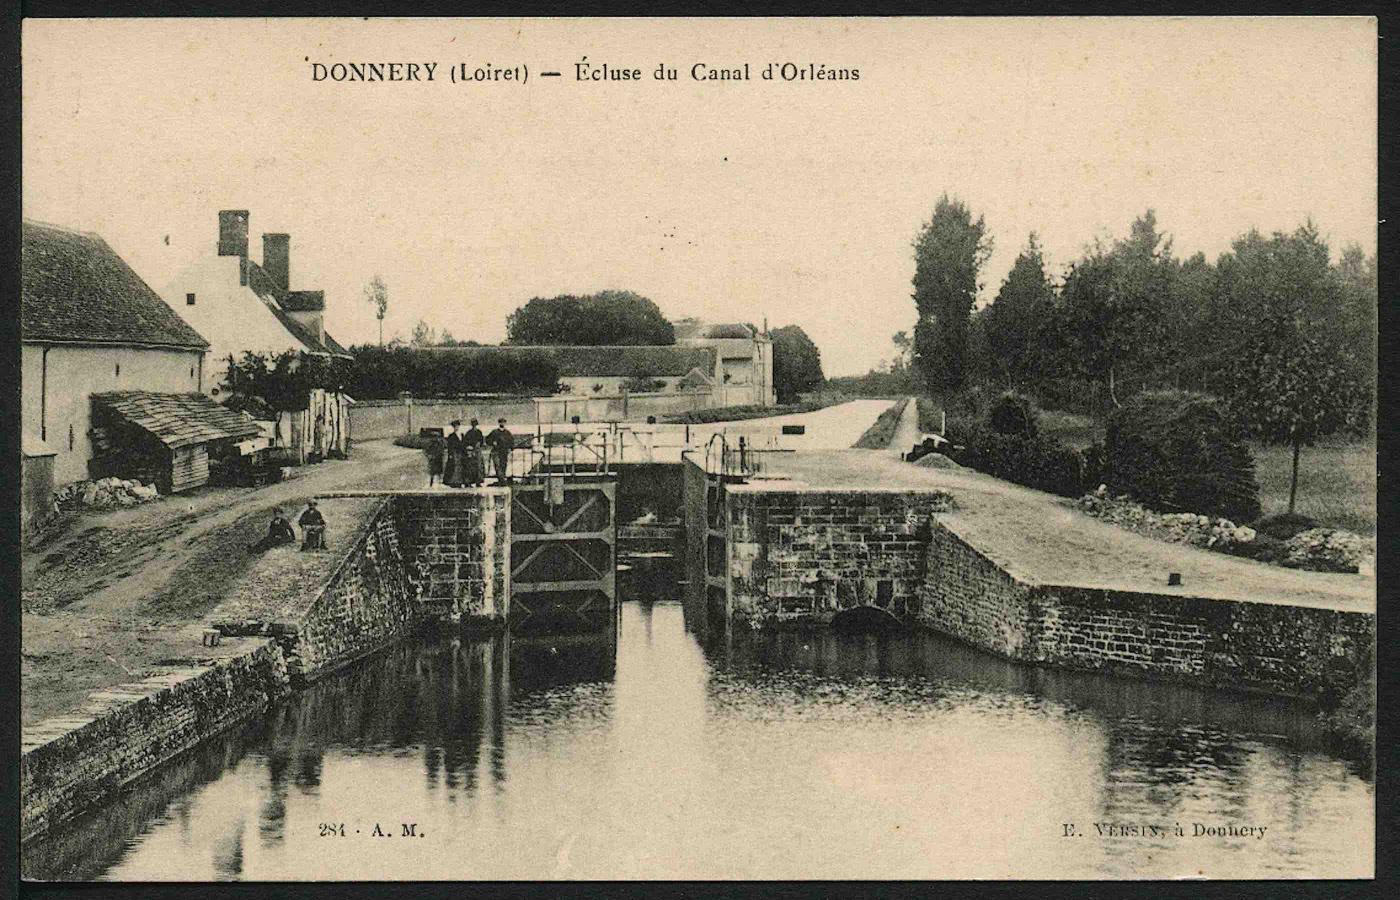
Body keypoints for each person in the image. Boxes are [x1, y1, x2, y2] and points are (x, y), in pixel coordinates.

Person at [486, 417, 514, 485]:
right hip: (496, 452)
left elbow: (511, 442)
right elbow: (487, 440)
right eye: (501, 422)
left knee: (503, 465)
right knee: (497, 466)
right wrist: (492, 443)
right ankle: (501, 480)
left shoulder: (507, 433)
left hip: (504, 452)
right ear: (499, 423)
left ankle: (501, 479)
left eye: (503, 422)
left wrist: (510, 448)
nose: (502, 423)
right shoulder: (495, 432)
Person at [463, 418, 485, 487]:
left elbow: (481, 442)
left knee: (478, 466)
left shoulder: (479, 432)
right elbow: (466, 442)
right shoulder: (469, 433)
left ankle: (478, 481)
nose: (474, 426)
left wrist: (478, 445)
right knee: (471, 467)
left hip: (477, 451)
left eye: (475, 425)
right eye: (473, 424)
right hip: (471, 451)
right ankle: (469, 482)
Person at [443, 420, 465, 488]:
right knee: (454, 467)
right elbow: (450, 446)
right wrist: (450, 454)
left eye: (458, 426)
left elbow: (463, 444)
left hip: (461, 453)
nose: (456, 427)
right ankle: (454, 481)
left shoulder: (462, 435)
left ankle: (460, 481)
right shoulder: (451, 436)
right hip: (454, 453)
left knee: (460, 467)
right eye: (455, 426)